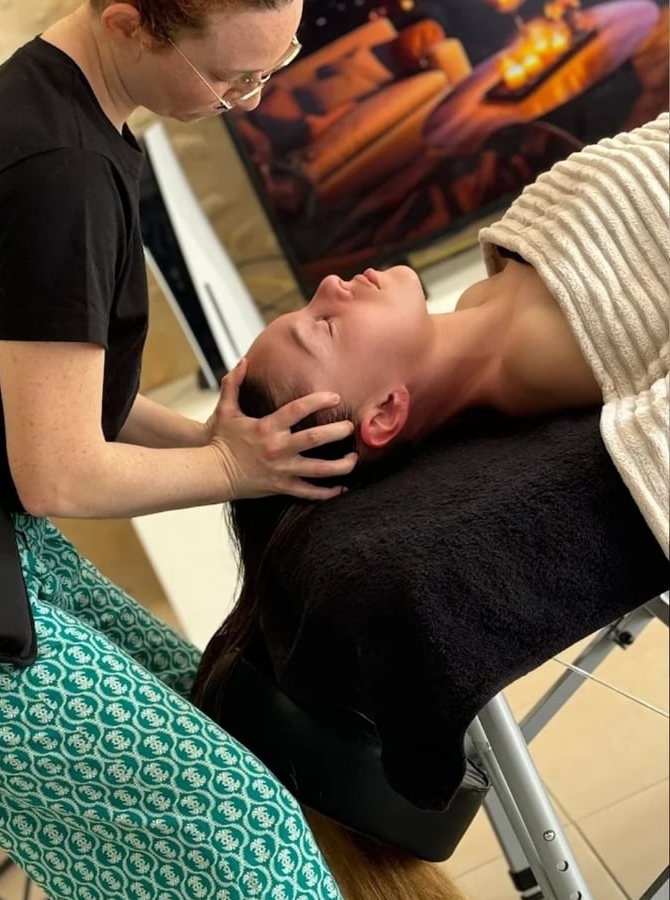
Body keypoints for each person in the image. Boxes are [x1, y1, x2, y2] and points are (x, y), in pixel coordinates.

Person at [0, 2, 362, 899]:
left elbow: (51, 387)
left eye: (273, 67)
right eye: (229, 77)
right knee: (241, 832)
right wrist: (230, 469)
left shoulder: (56, 97)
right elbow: (60, 471)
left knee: (220, 713)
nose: (249, 100)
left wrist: (212, 443)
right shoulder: (61, 174)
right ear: (126, 23)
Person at [191, 113, 668, 897]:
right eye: (324, 328)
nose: (330, 286)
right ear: (384, 412)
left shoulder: (495, 293)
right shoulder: (551, 352)